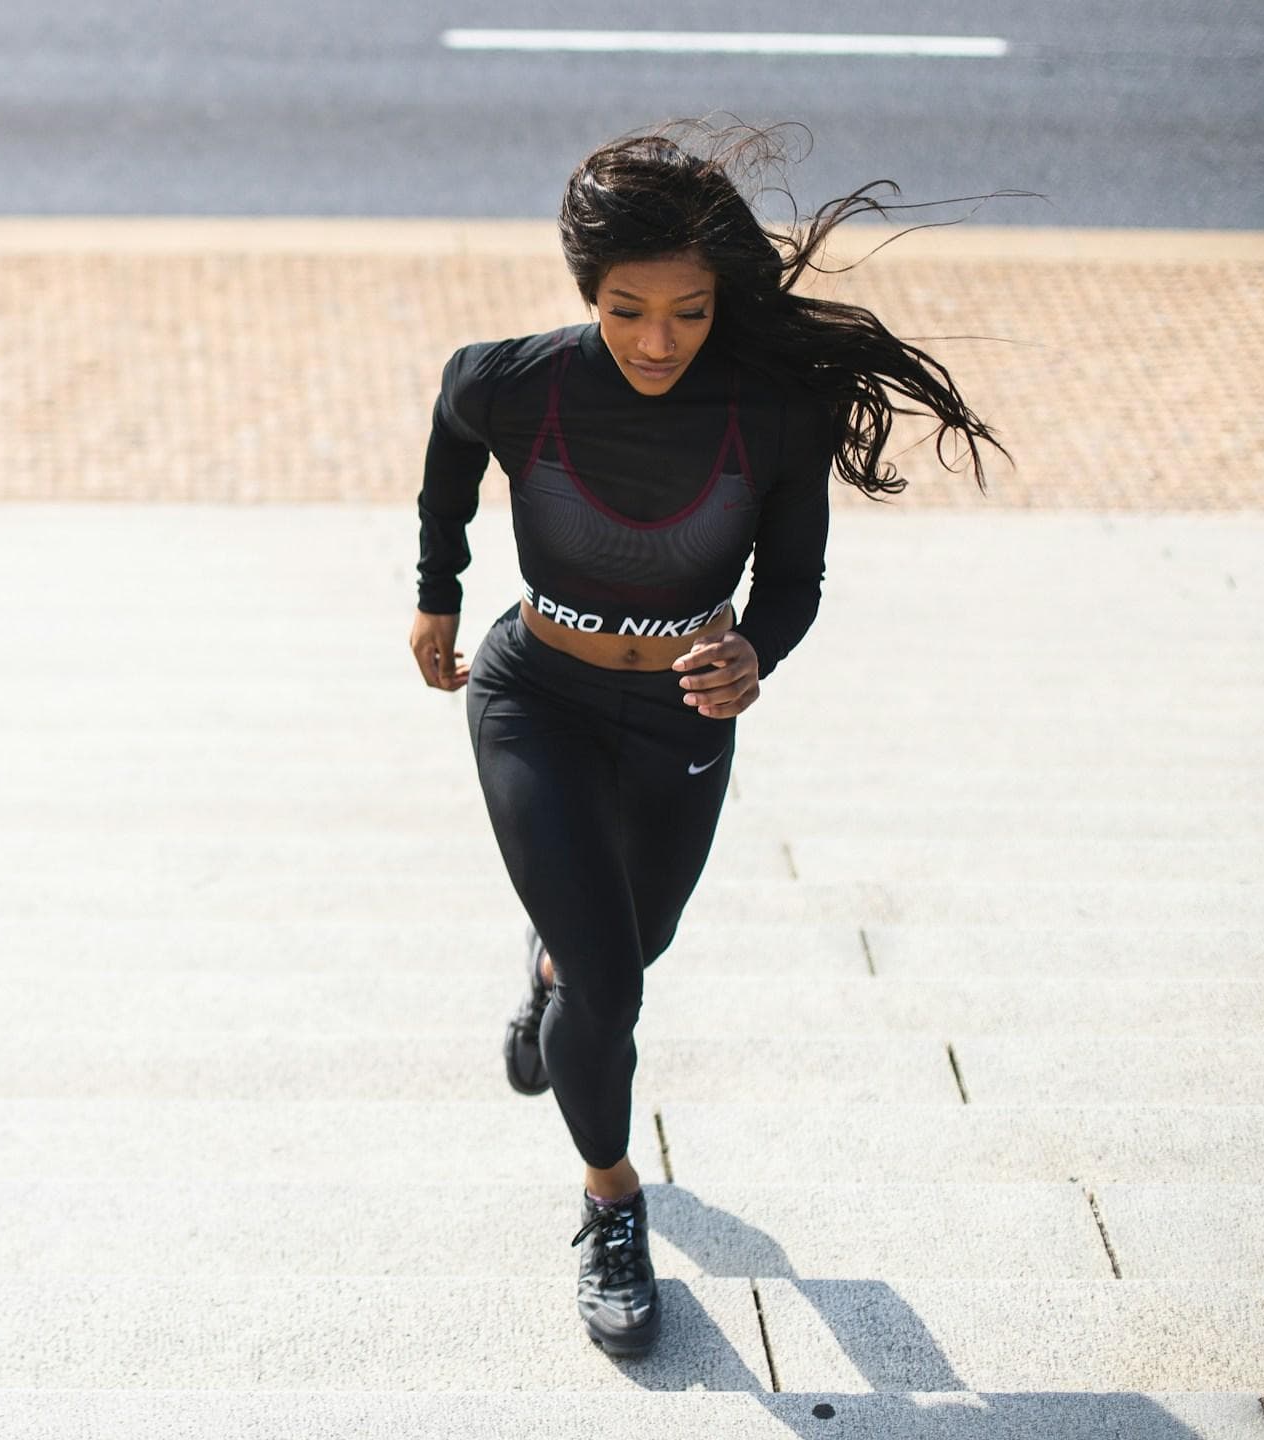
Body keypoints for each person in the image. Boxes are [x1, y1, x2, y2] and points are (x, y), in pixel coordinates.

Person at [407, 120, 1007, 1357]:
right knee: (612, 981)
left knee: (637, 943)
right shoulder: (515, 380)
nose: (659, 342)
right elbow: (452, 440)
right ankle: (612, 1202)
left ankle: (555, 973)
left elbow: (793, 584)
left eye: (687, 311)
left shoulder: (771, 411)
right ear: (588, 293)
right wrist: (437, 587)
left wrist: (754, 655)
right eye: (628, 311)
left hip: (678, 714)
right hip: (535, 697)